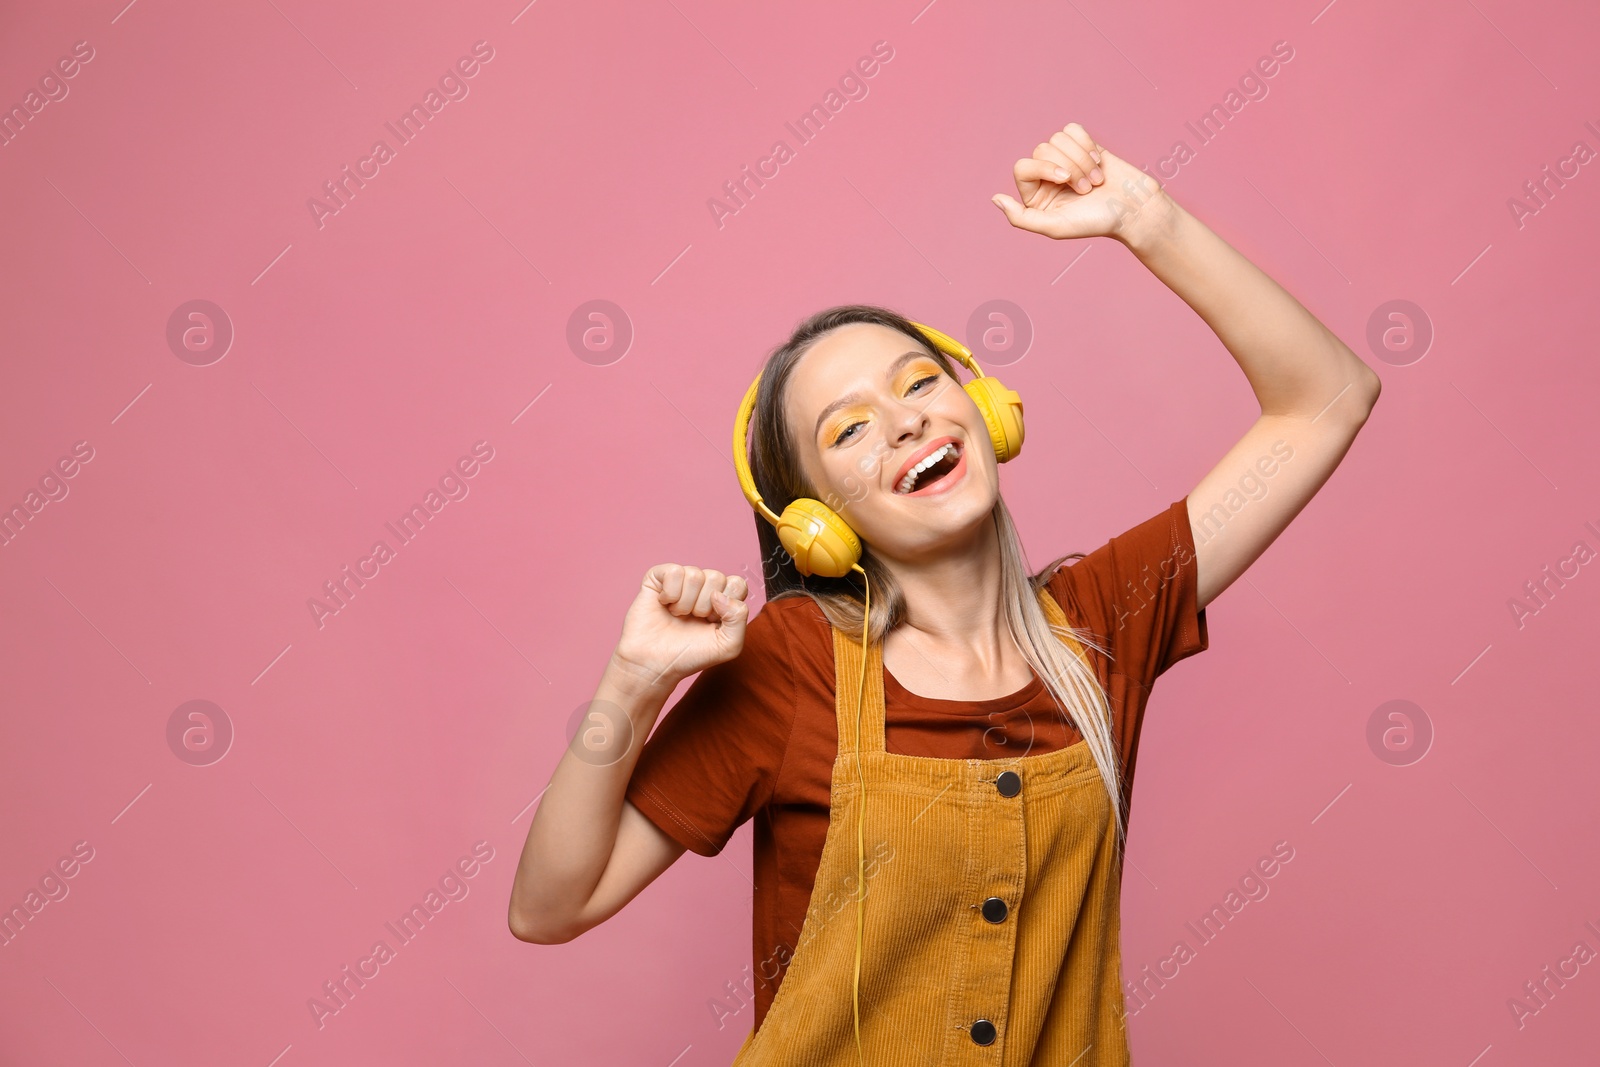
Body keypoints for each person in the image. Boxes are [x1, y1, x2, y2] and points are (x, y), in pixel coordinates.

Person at [508, 122, 1381, 1064]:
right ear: (818, 526)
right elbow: (548, 907)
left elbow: (1329, 393)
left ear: (988, 411)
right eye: (848, 430)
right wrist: (633, 682)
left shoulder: (1101, 623)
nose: (905, 417)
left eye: (919, 380)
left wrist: (1144, 218)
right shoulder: (791, 666)